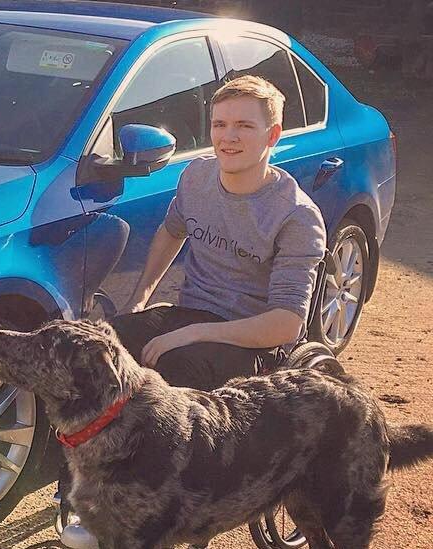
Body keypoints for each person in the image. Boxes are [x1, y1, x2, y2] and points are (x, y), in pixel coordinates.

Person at [58, 75, 328, 549]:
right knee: (95, 348)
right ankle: (81, 495)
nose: (228, 136)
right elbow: (170, 231)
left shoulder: (296, 216)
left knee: (171, 373)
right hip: (188, 315)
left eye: (244, 125)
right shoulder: (197, 177)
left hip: (251, 341)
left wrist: (192, 333)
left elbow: (286, 323)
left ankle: (148, 506)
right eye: (220, 124)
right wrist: (142, 297)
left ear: (273, 134)